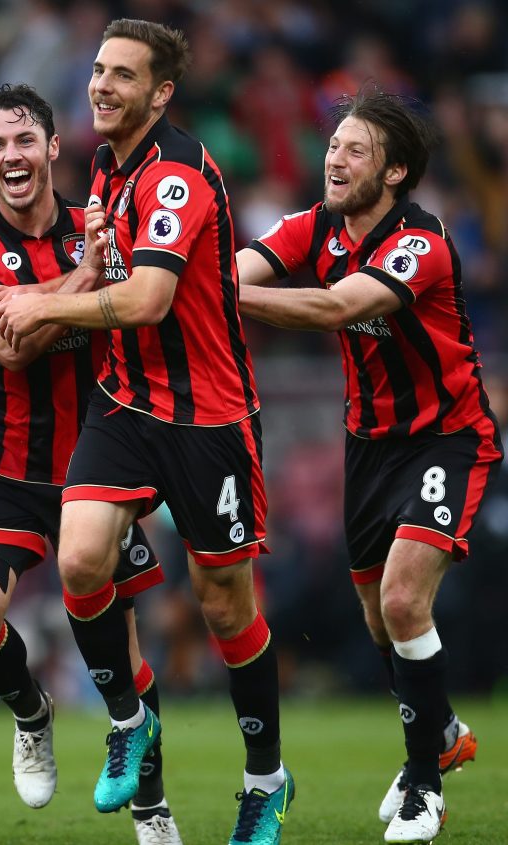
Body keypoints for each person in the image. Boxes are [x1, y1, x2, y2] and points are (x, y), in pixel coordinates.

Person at [0, 20, 293, 845]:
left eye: (122, 75)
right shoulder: (106, 165)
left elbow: (151, 298)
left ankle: (265, 779)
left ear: (161, 93)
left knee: (225, 608)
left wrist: (42, 303)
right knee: (80, 556)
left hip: (210, 416)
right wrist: (61, 283)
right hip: (125, 403)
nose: (100, 86)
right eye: (96, 70)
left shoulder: (177, 175)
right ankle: (129, 716)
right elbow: (103, 275)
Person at [236, 87, 503, 844]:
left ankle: (424, 784)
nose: (335, 157)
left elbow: (331, 308)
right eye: (333, 145)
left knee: (403, 601)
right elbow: (239, 266)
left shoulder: (420, 242)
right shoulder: (313, 225)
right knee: (377, 619)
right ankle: (442, 729)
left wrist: (208, 293)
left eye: (356, 149)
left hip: (446, 437)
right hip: (368, 442)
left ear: (394, 173)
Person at [0, 83, 182, 845]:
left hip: (93, 462)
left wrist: (98, 267)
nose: (13, 156)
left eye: (24, 141)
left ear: (51, 149)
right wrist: (84, 278)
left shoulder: (98, 224)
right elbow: (8, 342)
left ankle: (152, 812)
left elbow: (150, 303)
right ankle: (31, 711)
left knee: (127, 658)